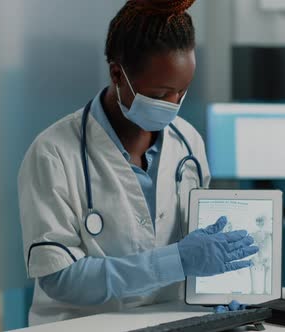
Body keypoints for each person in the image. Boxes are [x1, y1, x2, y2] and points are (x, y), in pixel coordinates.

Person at [18, 0, 258, 326]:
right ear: (118, 73)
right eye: (160, 94)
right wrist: (177, 261)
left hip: (171, 323)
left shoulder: (188, 144)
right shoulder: (54, 153)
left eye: (182, 92)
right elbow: (60, 278)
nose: (173, 105)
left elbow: (195, 253)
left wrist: (214, 294)